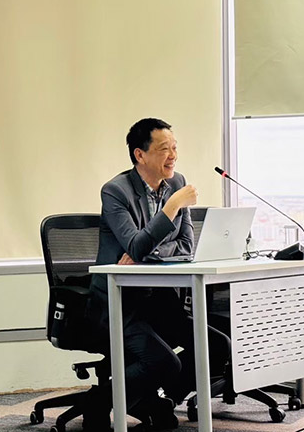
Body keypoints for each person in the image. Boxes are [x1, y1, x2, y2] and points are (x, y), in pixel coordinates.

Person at [86, 118, 231, 431]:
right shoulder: (115, 191)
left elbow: (185, 246)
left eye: (175, 147)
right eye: (165, 149)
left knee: (218, 346)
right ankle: (98, 401)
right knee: (165, 361)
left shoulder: (177, 183)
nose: (173, 156)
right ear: (140, 155)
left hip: (160, 301)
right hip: (120, 304)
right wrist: (172, 207)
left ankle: (163, 401)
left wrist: (148, 253)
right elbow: (136, 245)